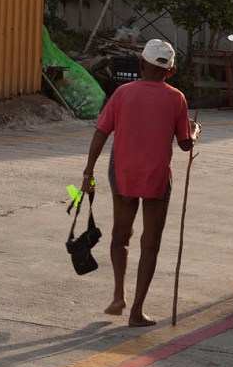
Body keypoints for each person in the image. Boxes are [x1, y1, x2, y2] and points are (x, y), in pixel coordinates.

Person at [79, 38, 200, 327]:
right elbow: (185, 144)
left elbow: (101, 133)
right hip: (157, 177)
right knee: (150, 243)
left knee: (121, 235)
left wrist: (88, 173)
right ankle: (136, 311)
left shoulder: (122, 93)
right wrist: (195, 131)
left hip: (123, 173)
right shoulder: (176, 98)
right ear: (171, 71)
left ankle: (118, 294)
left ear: (141, 64)